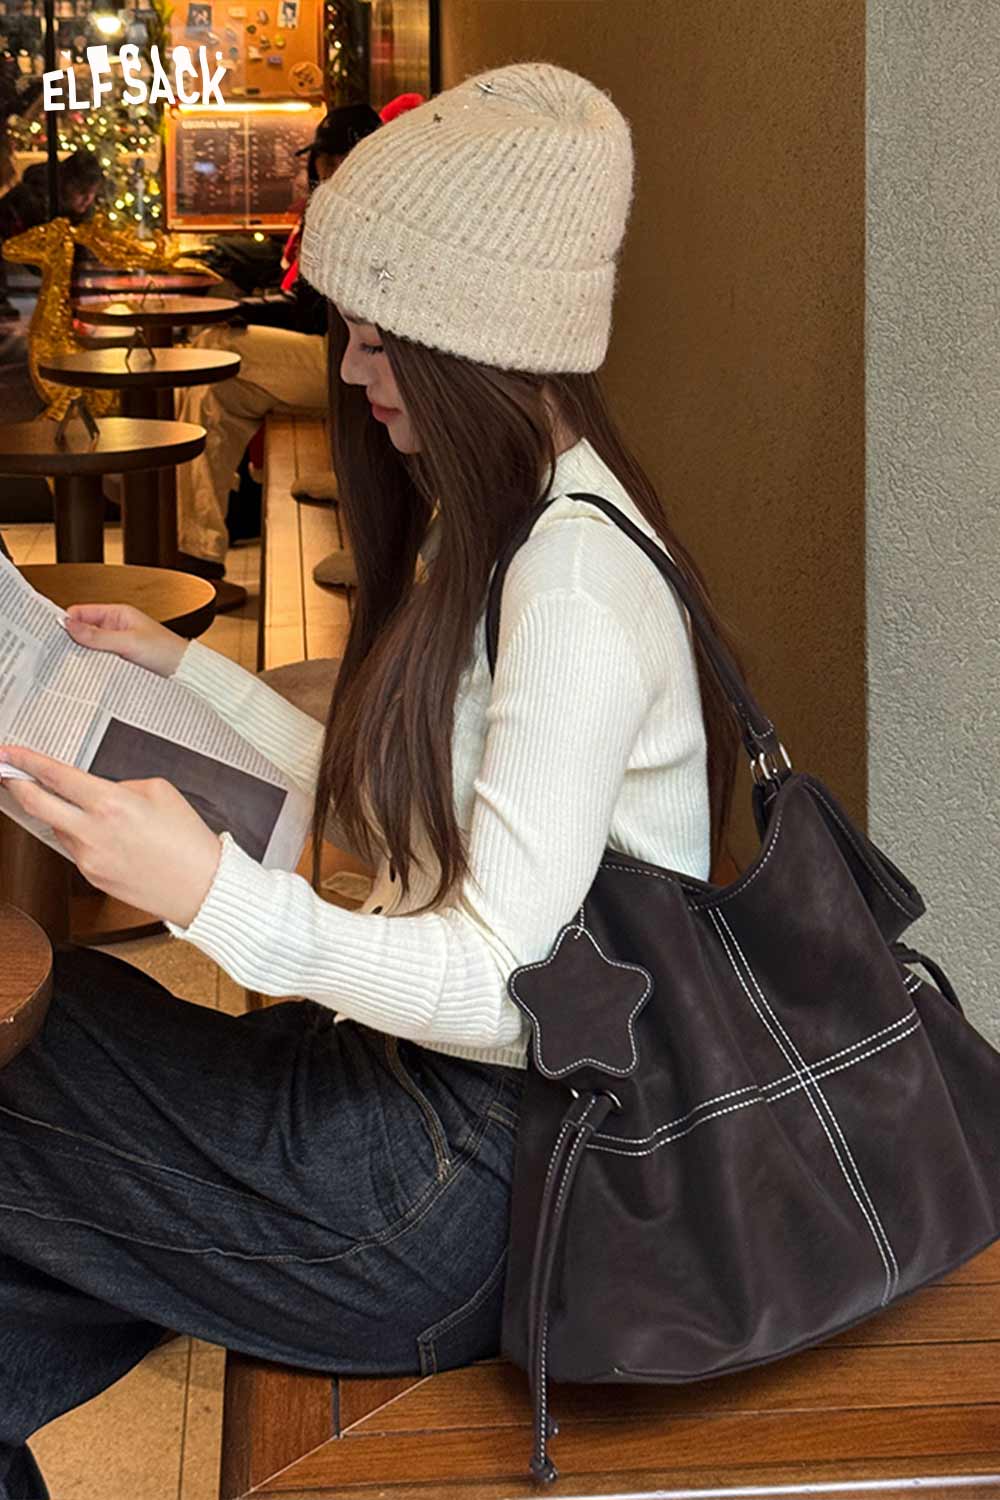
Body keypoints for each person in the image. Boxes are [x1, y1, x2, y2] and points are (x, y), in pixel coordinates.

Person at [0, 62, 745, 1499]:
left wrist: (212, 892)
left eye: (374, 336)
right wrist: (183, 675)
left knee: (31, 1103)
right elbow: (417, 826)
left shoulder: (575, 584)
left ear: (476, 337)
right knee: (73, 1023)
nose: (347, 369)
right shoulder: (513, 521)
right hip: (416, 1124)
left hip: (473, 1191)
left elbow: (504, 990)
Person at [173, 103, 381, 589]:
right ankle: (196, 551)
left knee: (212, 358)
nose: (324, 168)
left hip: (350, 362)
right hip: (345, 356)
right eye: (323, 159)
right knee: (216, 389)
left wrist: (245, 308)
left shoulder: (357, 210)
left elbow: (312, 311)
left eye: (332, 158)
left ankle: (195, 550)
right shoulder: (352, 204)